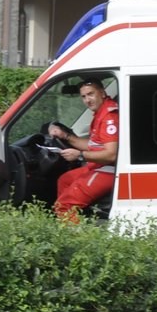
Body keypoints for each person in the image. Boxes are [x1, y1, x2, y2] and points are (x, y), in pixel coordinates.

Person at [50, 78, 119, 220]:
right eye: (84, 96)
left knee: (64, 206)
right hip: (100, 167)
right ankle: (74, 219)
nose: (88, 100)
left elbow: (111, 155)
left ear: (102, 93)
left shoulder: (109, 116)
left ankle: (77, 239)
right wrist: (65, 136)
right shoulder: (101, 112)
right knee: (65, 180)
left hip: (109, 170)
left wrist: (80, 156)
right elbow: (93, 145)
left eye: (91, 94)